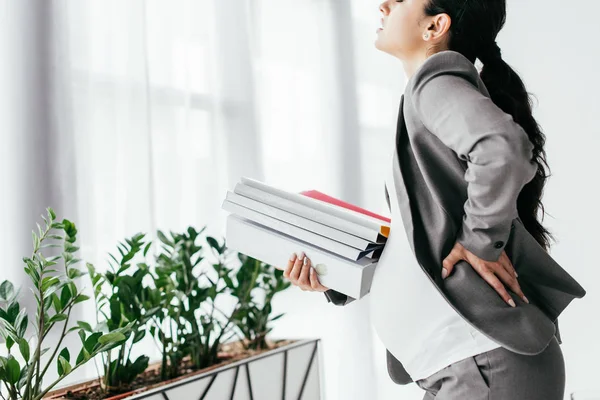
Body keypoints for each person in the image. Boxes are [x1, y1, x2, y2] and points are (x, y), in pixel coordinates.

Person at [281, 0, 585, 399]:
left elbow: (503, 149)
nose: (384, 4)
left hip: (483, 365)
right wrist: (334, 277)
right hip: (469, 366)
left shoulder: (434, 81)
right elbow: (422, 248)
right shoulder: (425, 97)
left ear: (435, 26)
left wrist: (480, 241)